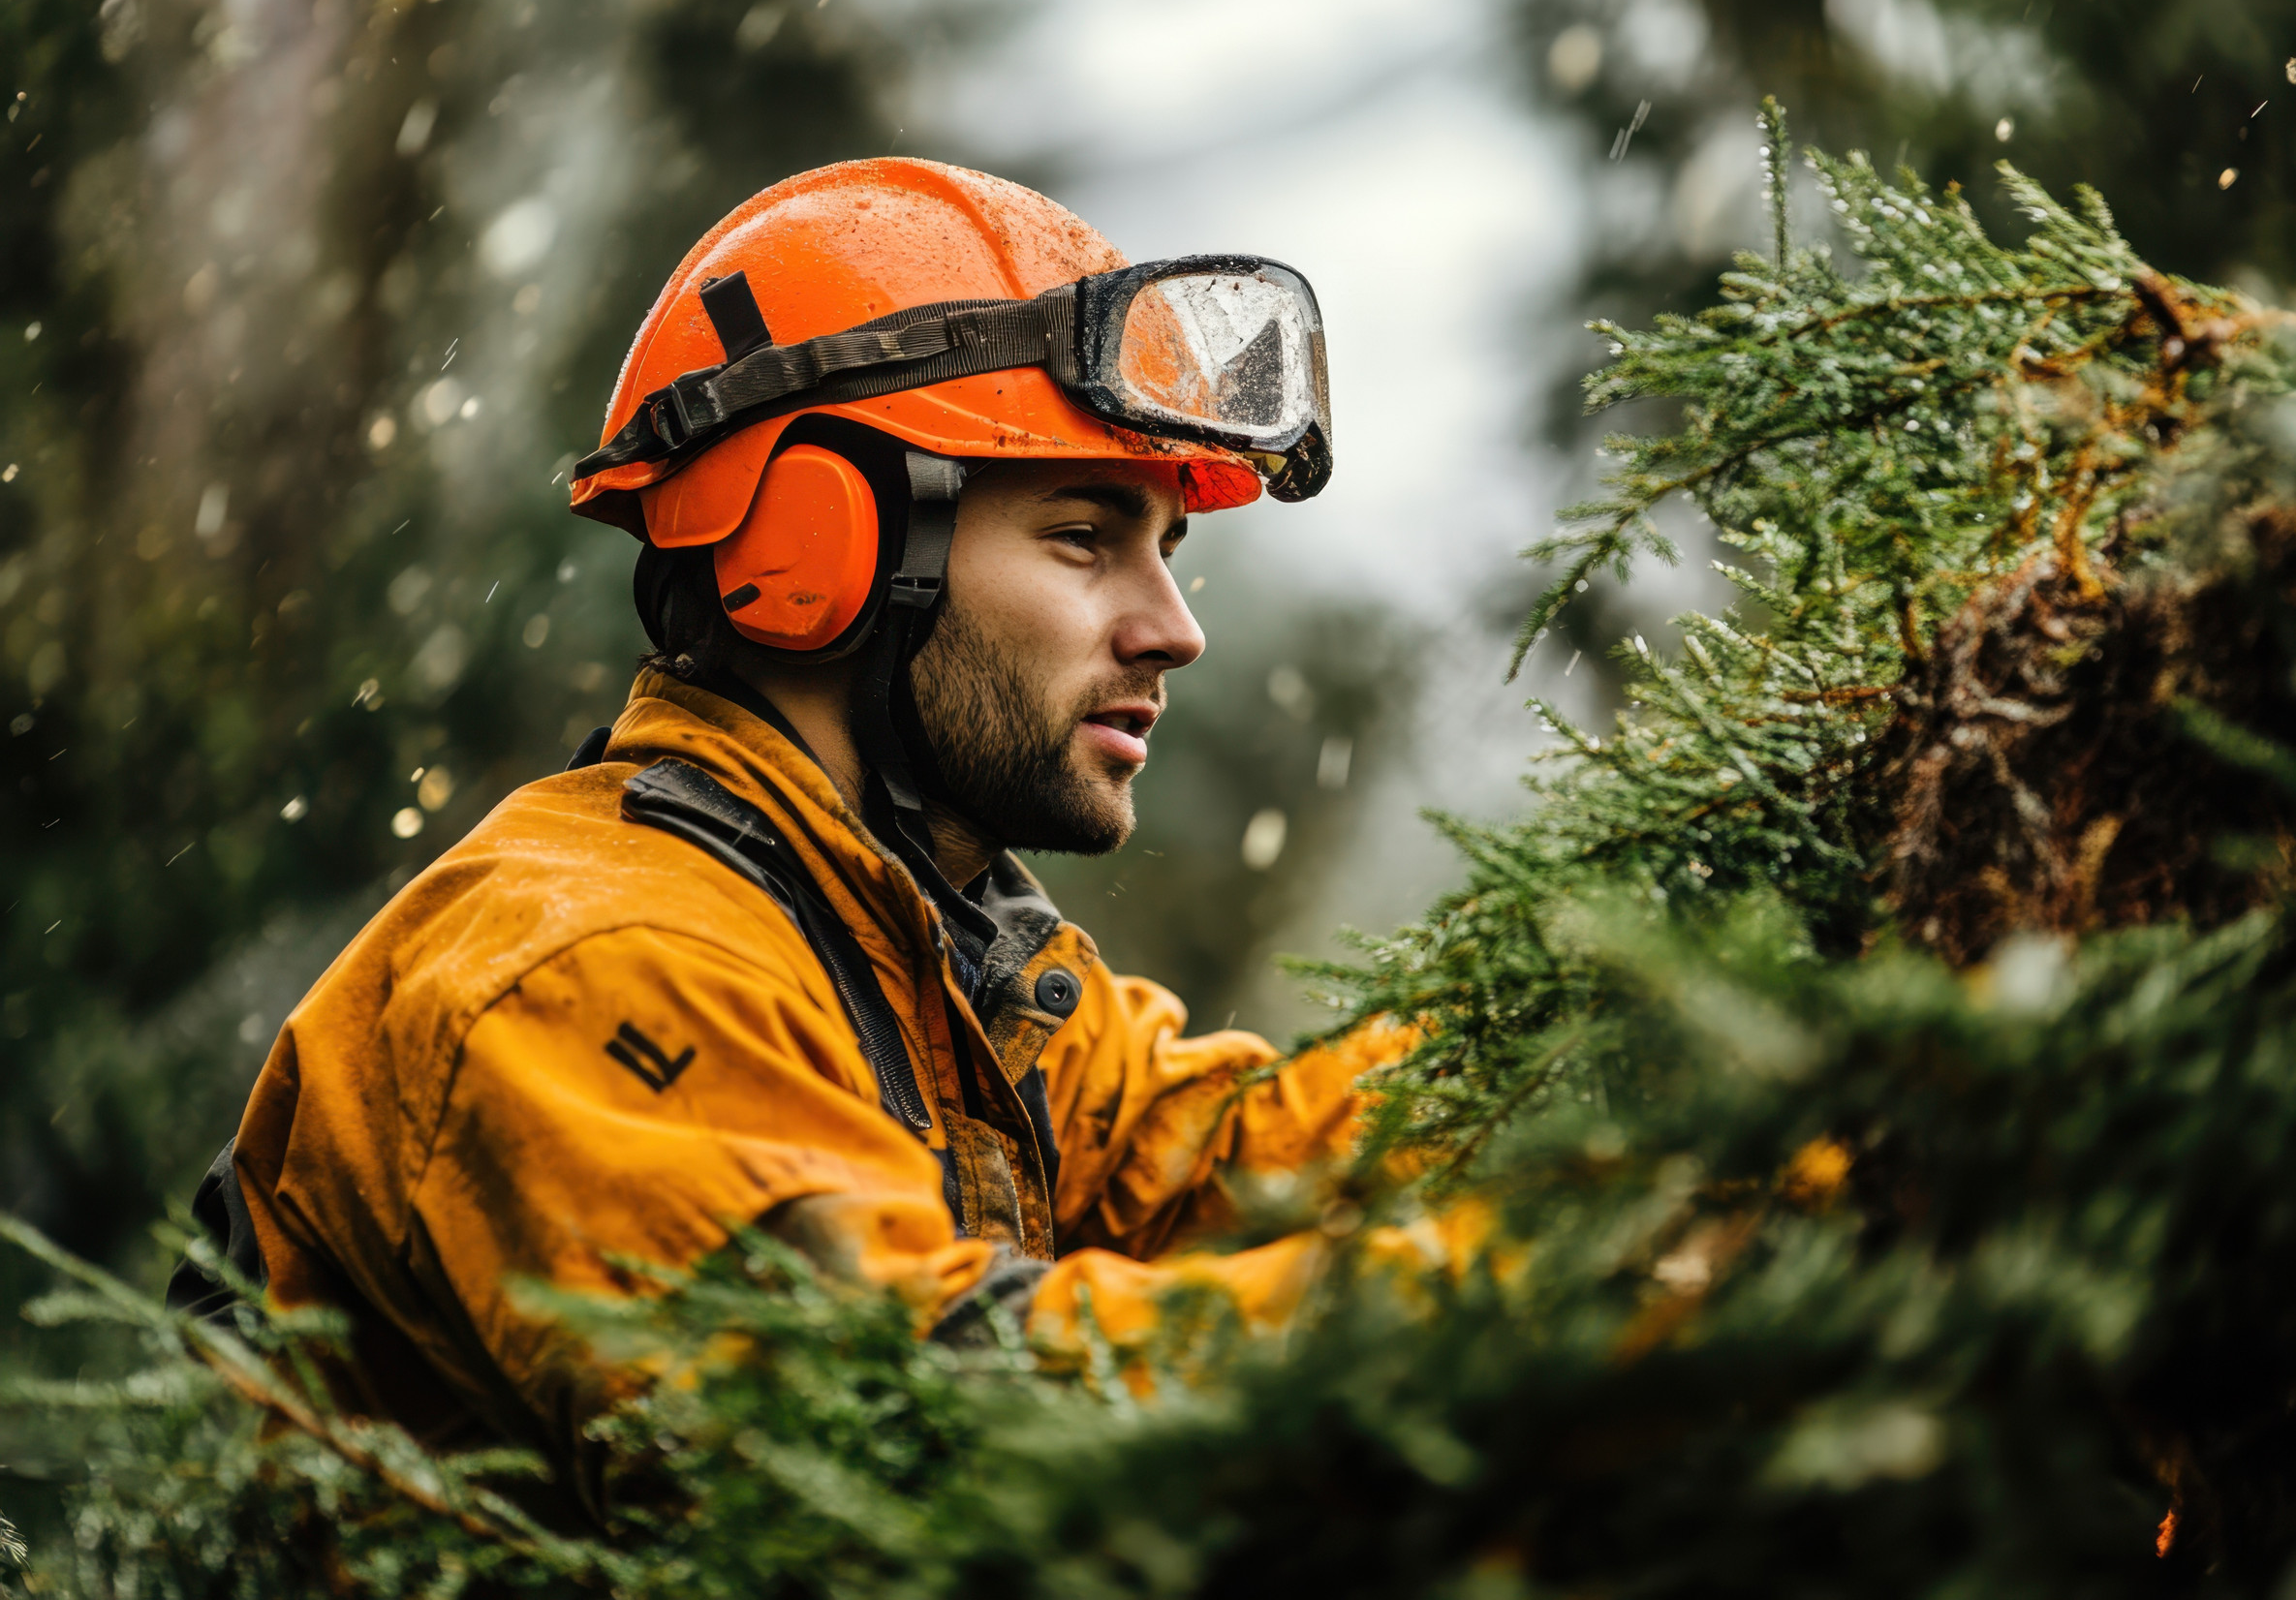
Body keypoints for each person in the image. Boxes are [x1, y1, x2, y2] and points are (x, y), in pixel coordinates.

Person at [168, 158, 1408, 1510]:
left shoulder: (926, 952)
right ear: (818, 549)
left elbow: (1240, 1153)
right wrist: (1453, 1314)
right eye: (1080, 537)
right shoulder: (590, 964)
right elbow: (899, 1427)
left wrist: (1611, 1027)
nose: (1176, 627)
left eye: (1163, 547)